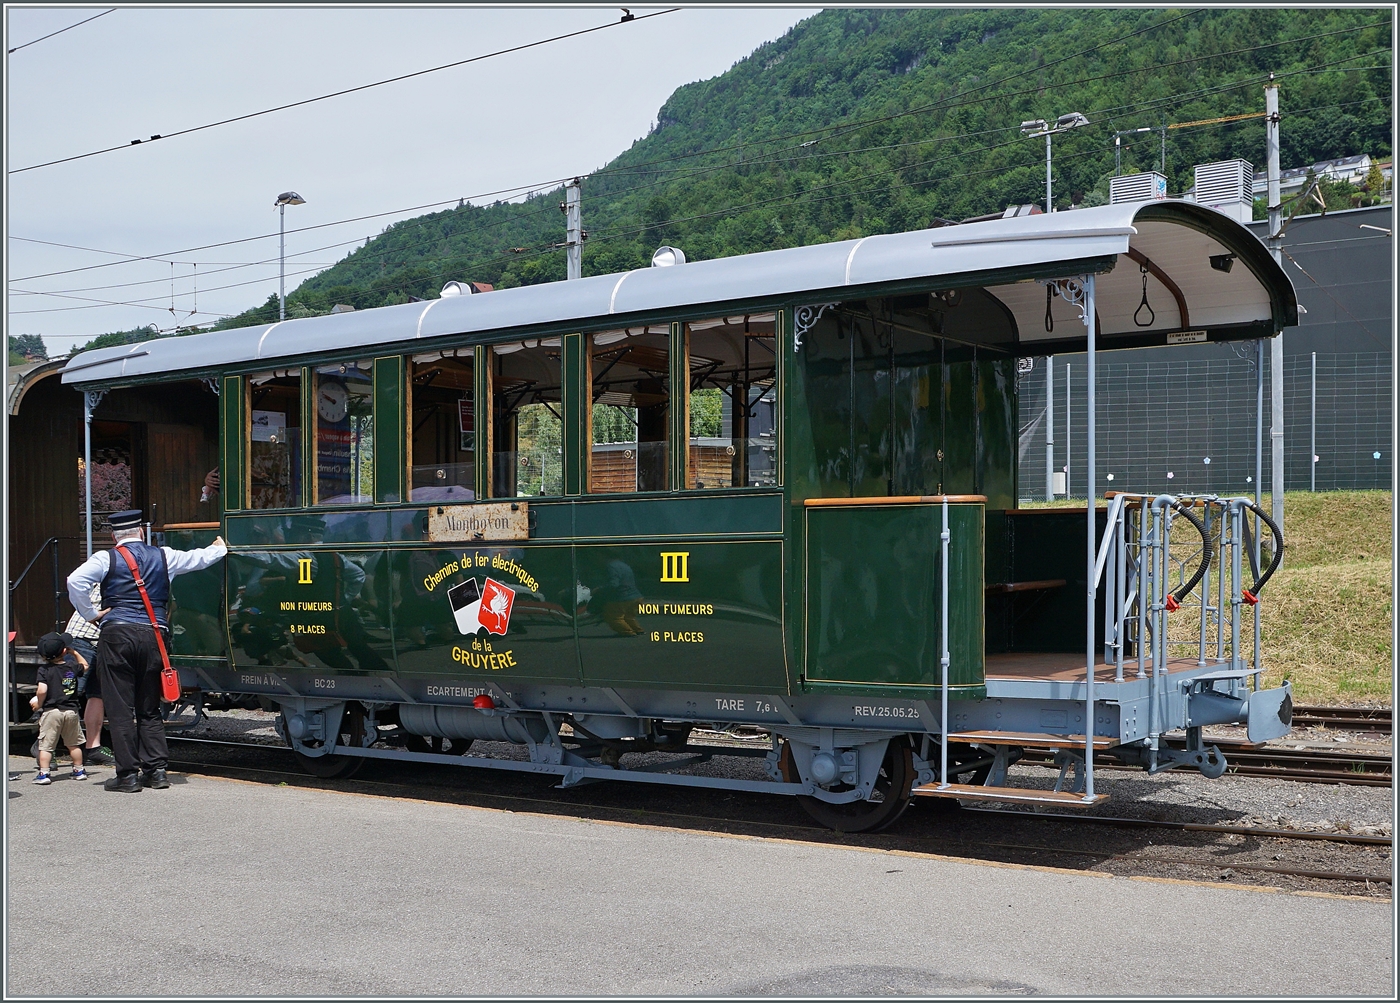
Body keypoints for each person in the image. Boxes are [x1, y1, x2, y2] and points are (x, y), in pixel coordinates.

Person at [67, 509, 227, 793]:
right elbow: (200, 558)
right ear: (141, 532)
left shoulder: (105, 558)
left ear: (113, 536)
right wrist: (219, 548)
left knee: (119, 708)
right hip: (154, 635)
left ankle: (128, 776)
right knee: (149, 706)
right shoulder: (164, 555)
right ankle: (156, 772)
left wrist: (91, 613)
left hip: (117, 636)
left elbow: (74, 581)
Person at [62, 585, 115, 766]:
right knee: (66, 693)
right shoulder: (112, 577)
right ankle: (43, 745)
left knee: (97, 695)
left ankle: (93, 747)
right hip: (82, 638)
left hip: (101, 640)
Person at [31, 632, 88, 785]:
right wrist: (74, 653)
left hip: (52, 712)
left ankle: (44, 773)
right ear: (64, 651)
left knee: (46, 746)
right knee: (73, 744)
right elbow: (85, 666)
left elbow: (42, 690)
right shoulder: (72, 666)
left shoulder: (44, 670)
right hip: (71, 711)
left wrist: (39, 703)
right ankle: (79, 770)